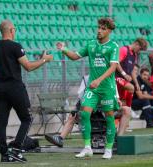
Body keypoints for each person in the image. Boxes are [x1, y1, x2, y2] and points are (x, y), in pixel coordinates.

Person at [0, 20, 53, 163]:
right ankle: (17, 149)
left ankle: (4, 154)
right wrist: (44, 60)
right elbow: (28, 67)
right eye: (15, 29)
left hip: (0, 87)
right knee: (27, 118)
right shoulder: (15, 46)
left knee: (1, 122)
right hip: (15, 87)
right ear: (11, 30)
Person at [56, 17, 119, 159]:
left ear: (109, 31)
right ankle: (87, 147)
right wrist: (64, 49)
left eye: (103, 29)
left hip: (107, 88)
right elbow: (74, 56)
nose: (99, 31)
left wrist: (99, 80)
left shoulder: (113, 46)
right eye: (99, 27)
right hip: (92, 87)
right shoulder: (90, 44)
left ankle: (108, 149)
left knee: (109, 117)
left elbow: (113, 67)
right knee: (84, 114)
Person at [115, 38, 148, 108]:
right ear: (136, 44)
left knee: (125, 110)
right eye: (140, 49)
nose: (139, 51)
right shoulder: (124, 50)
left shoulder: (134, 55)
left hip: (124, 81)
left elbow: (132, 71)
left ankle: (124, 108)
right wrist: (124, 74)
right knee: (131, 87)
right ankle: (128, 106)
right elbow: (116, 63)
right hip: (115, 78)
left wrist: (137, 83)